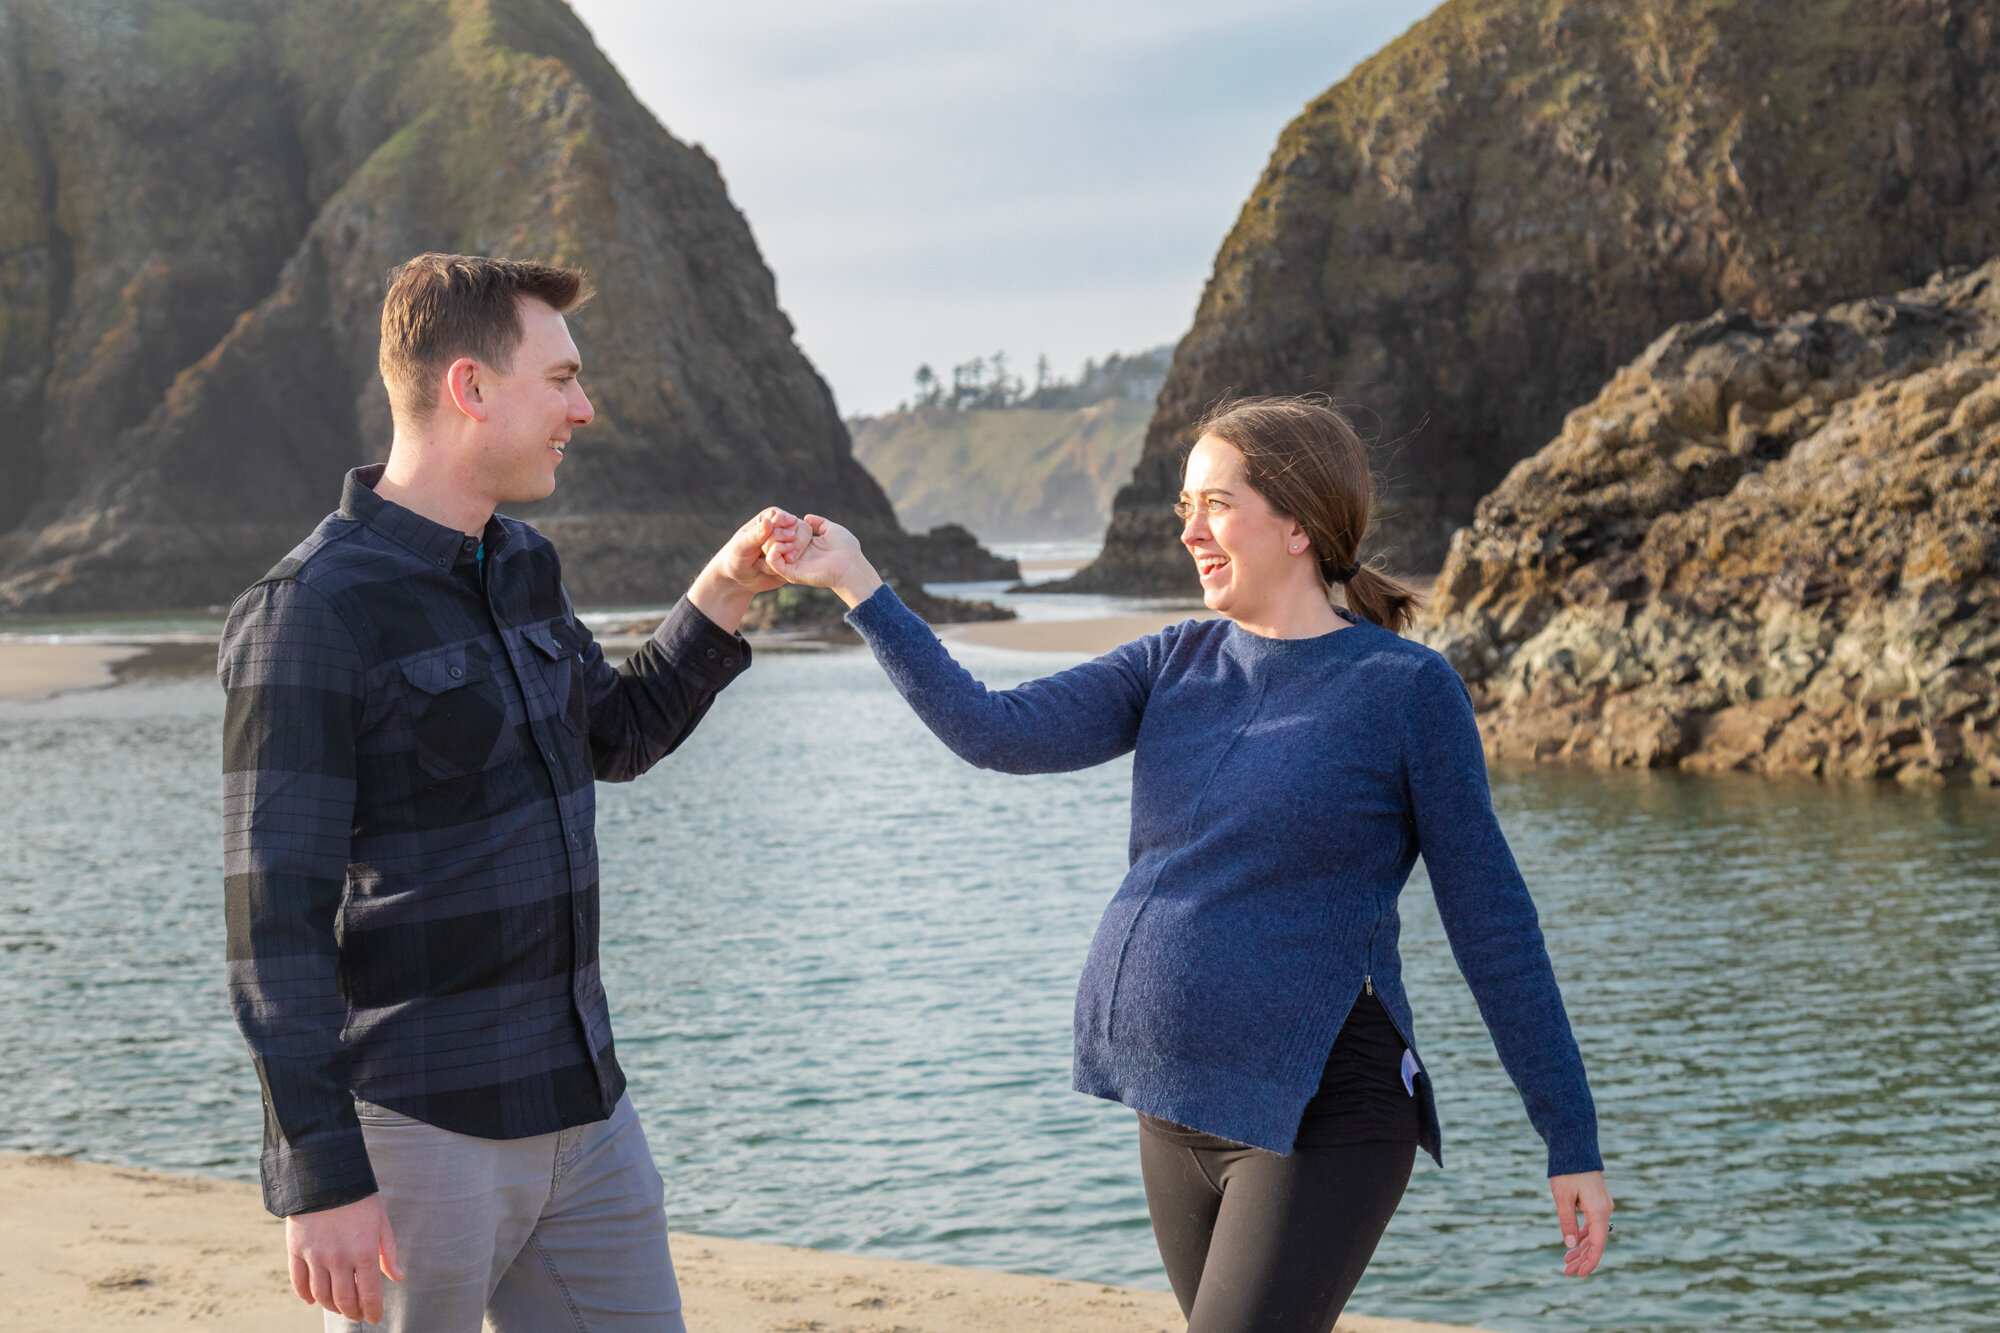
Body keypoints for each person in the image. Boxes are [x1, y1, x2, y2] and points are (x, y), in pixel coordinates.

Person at [762, 396, 1612, 1332]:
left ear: (1297, 522)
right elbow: (994, 730)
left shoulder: (1405, 691)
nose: (1190, 532)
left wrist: (1568, 1135)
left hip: (1321, 1111)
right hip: (1170, 1110)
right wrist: (859, 586)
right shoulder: (1175, 659)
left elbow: (1492, 920)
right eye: (1183, 507)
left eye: (1215, 504)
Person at [217, 252, 808, 1331]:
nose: (583, 408)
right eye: (562, 379)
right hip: (416, 1137)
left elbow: (616, 736)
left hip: (588, 1116)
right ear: (469, 388)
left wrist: (723, 592)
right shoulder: (308, 610)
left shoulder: (525, 564)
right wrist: (319, 1174)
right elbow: (272, 926)